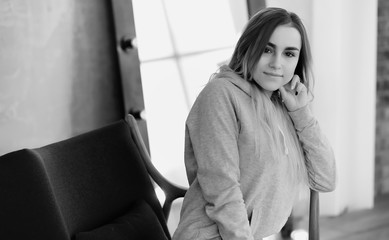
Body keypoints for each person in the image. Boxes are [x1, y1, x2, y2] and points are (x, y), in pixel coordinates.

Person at [172, 7, 336, 240]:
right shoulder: (220, 95)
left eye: (289, 54)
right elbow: (223, 190)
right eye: (267, 49)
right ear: (248, 47)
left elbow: (325, 179)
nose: (276, 63)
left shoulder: (281, 103)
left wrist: (301, 113)